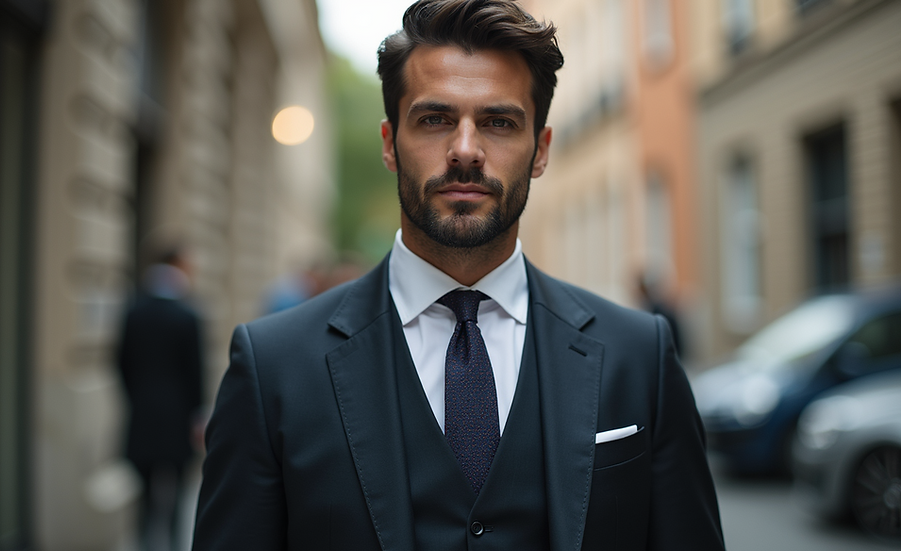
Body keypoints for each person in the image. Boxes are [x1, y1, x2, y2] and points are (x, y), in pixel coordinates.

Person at [193, 1, 725, 549]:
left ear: (540, 151)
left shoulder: (638, 356)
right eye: (434, 119)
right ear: (388, 143)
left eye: (498, 122)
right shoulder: (272, 368)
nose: (465, 150)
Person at [117, 246, 205, 551]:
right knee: (178, 493)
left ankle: (144, 543)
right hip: (177, 416)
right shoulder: (188, 314)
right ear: (178, 265)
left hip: (142, 412)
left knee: (144, 495)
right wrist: (197, 413)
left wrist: (135, 398)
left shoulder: (134, 310)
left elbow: (121, 362)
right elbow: (195, 372)